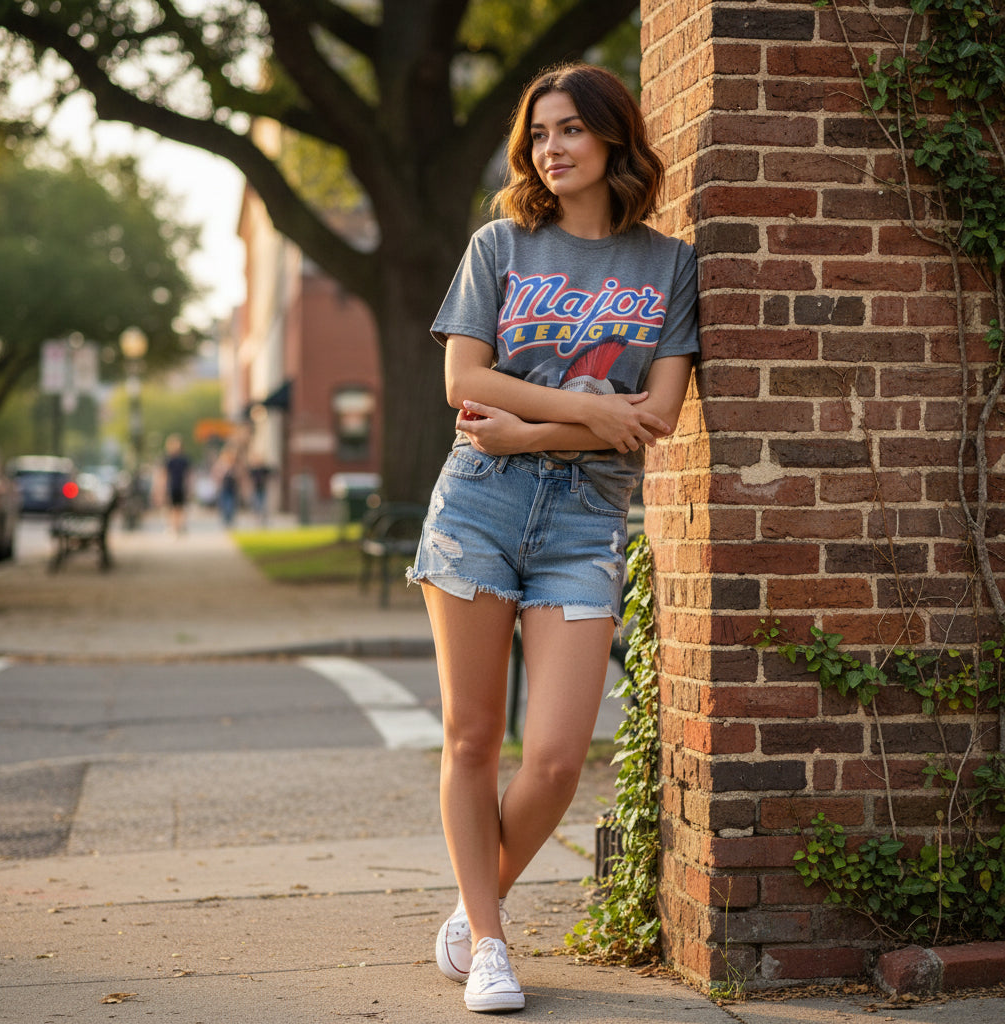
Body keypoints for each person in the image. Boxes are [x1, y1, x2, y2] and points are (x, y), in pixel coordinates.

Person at [406, 63, 700, 1013]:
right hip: (479, 504)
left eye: (571, 129)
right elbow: (464, 382)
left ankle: (467, 905)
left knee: (561, 756)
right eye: (539, 134)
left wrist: (532, 424)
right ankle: (491, 945)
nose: (553, 148)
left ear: (615, 137)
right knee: (472, 737)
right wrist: (576, 420)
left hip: (584, 519)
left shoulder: (669, 264)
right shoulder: (502, 245)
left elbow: (654, 416)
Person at [162, 435, 191, 535]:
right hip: (172, 486)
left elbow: (188, 475)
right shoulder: (168, 460)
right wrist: (162, 488)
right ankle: (173, 526)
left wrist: (189, 487)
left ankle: (180, 526)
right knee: (171, 508)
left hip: (181, 486)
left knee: (180, 508)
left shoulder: (184, 460)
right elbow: (164, 475)